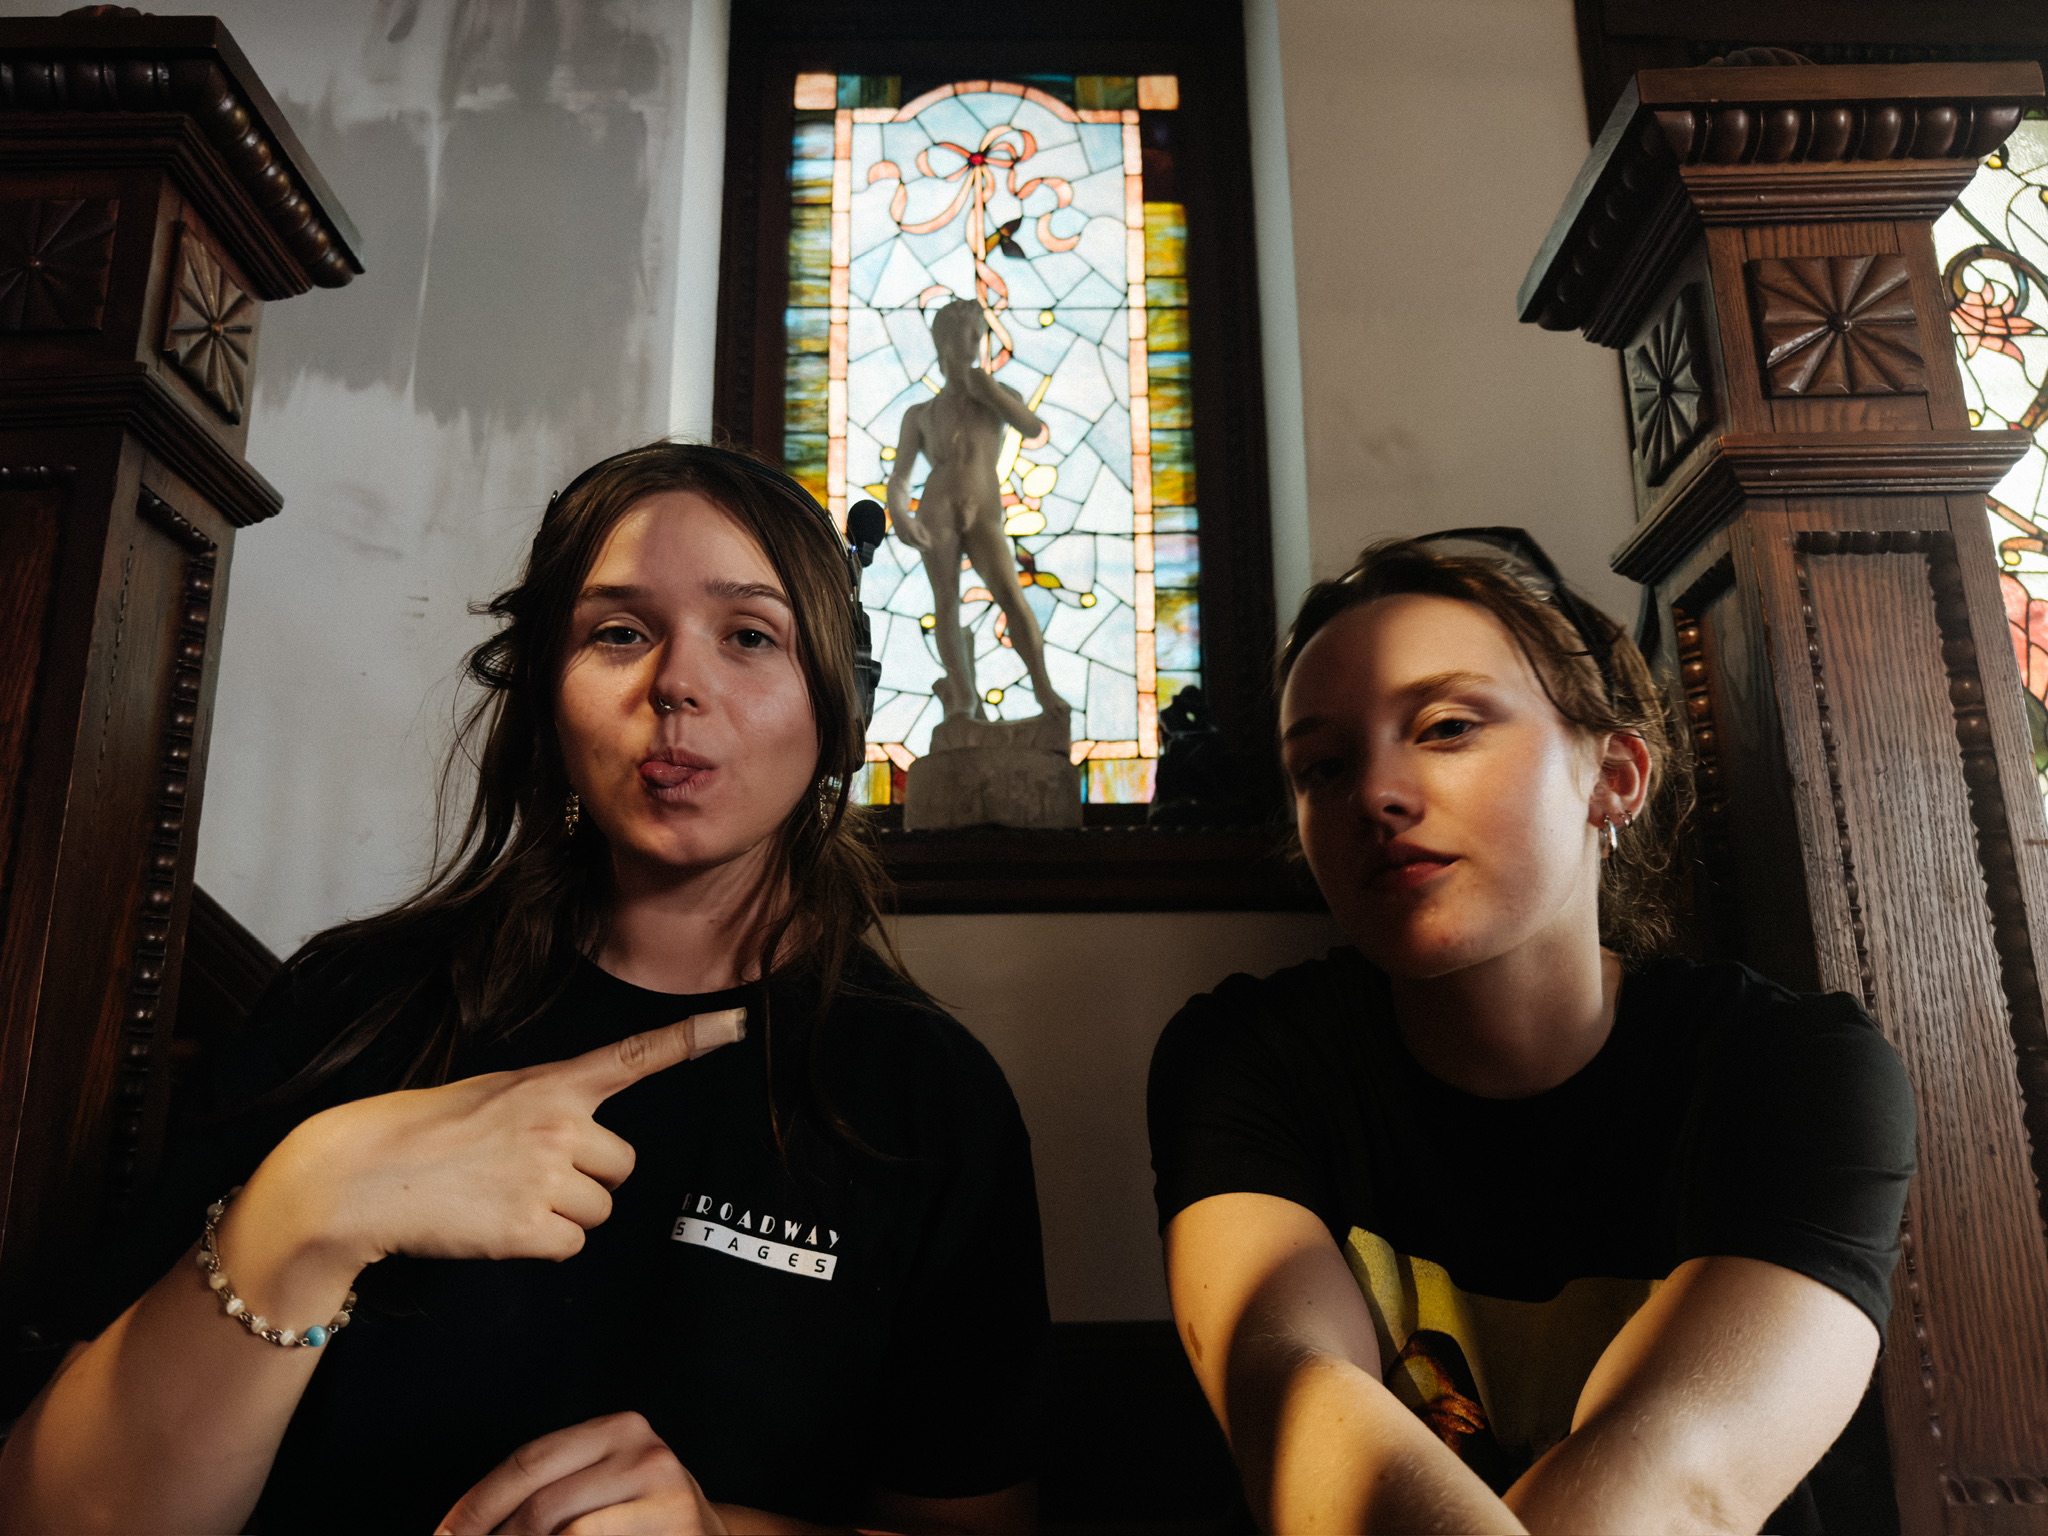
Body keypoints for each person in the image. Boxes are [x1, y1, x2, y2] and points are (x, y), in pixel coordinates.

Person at [0, 443, 1047, 1536]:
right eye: (619, 633)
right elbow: (46, 1515)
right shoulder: (350, 1008)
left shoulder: (930, 1101)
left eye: (749, 635)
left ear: (838, 707)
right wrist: (307, 1202)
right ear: (548, 694)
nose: (675, 684)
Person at [1147, 530, 1916, 1535]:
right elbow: (1290, 1400)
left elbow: (1681, 1486)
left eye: (1447, 726)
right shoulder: (1247, 1059)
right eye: (1323, 767)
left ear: (1614, 776)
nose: (1374, 794)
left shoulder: (1793, 1070)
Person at [885, 299, 1068, 722]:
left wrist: (990, 391)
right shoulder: (921, 414)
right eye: (971, 333)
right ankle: (964, 698)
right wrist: (900, 515)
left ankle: (1044, 689)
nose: (977, 342)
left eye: (980, 335)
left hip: (984, 508)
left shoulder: (997, 397)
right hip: (937, 509)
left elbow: (1032, 428)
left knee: (1010, 594)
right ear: (947, 341)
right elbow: (900, 476)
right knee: (946, 600)